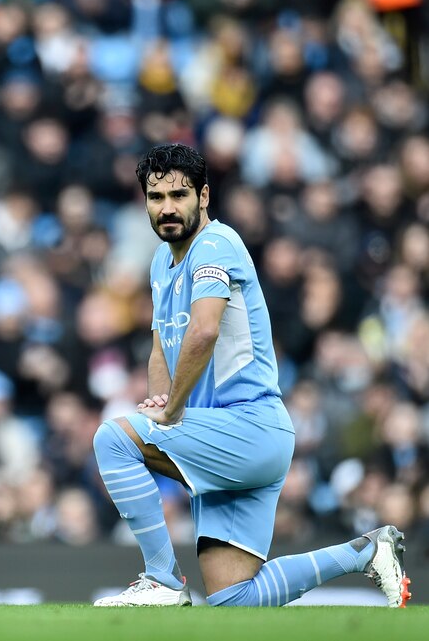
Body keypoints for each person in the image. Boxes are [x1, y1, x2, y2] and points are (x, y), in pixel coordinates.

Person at [92, 144, 410, 608]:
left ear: (203, 195)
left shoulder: (216, 246)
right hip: (228, 436)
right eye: (156, 197)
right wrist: (160, 403)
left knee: (112, 440)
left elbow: (202, 332)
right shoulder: (162, 262)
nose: (167, 208)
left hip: (249, 427)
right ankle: (364, 551)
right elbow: (163, 344)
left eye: (178, 195)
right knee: (234, 599)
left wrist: (173, 411)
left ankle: (161, 578)